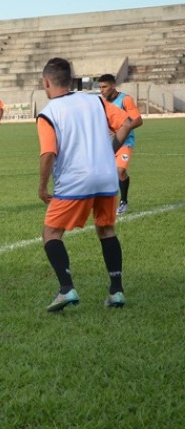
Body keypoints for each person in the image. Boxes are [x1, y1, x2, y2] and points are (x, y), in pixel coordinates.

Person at [37, 58, 135, 312]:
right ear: (71, 80)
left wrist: (42, 187)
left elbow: (47, 154)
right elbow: (128, 122)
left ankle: (66, 289)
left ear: (46, 82)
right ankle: (116, 291)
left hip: (75, 180)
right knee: (106, 230)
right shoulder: (96, 100)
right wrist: (108, 150)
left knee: (51, 233)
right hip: (106, 175)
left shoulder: (48, 113)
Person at [98, 73, 143, 214]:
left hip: (125, 142)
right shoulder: (101, 102)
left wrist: (120, 129)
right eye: (100, 87)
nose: (102, 90)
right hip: (106, 144)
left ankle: (123, 202)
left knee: (120, 170)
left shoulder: (125, 100)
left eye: (104, 87)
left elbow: (137, 120)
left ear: (113, 86)